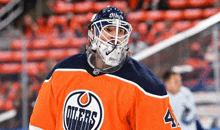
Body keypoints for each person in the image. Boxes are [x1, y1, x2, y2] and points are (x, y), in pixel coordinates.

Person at [29, 6, 181, 130]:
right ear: (93, 33)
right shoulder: (62, 71)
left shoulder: (146, 85)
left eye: (120, 32)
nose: (114, 38)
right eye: (108, 29)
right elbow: (40, 125)